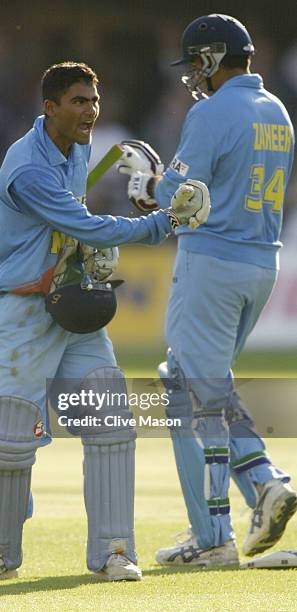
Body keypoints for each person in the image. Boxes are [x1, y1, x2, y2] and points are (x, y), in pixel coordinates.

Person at [0, 61, 210, 581]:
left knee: (110, 420)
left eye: (94, 101)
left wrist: (83, 256)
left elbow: (73, 227)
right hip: (22, 311)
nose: (90, 111)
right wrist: (158, 224)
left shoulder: (76, 151)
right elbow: (80, 221)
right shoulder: (27, 167)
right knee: (13, 434)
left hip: (69, 305)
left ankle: (114, 551)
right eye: (78, 101)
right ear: (49, 107)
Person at [118, 14, 296, 567]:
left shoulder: (212, 111)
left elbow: (176, 194)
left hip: (213, 261)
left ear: (215, 57)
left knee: (196, 390)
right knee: (190, 389)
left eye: (198, 62)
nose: (194, 74)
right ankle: (217, 528)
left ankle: (259, 488)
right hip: (261, 263)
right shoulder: (278, 111)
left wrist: (145, 183)